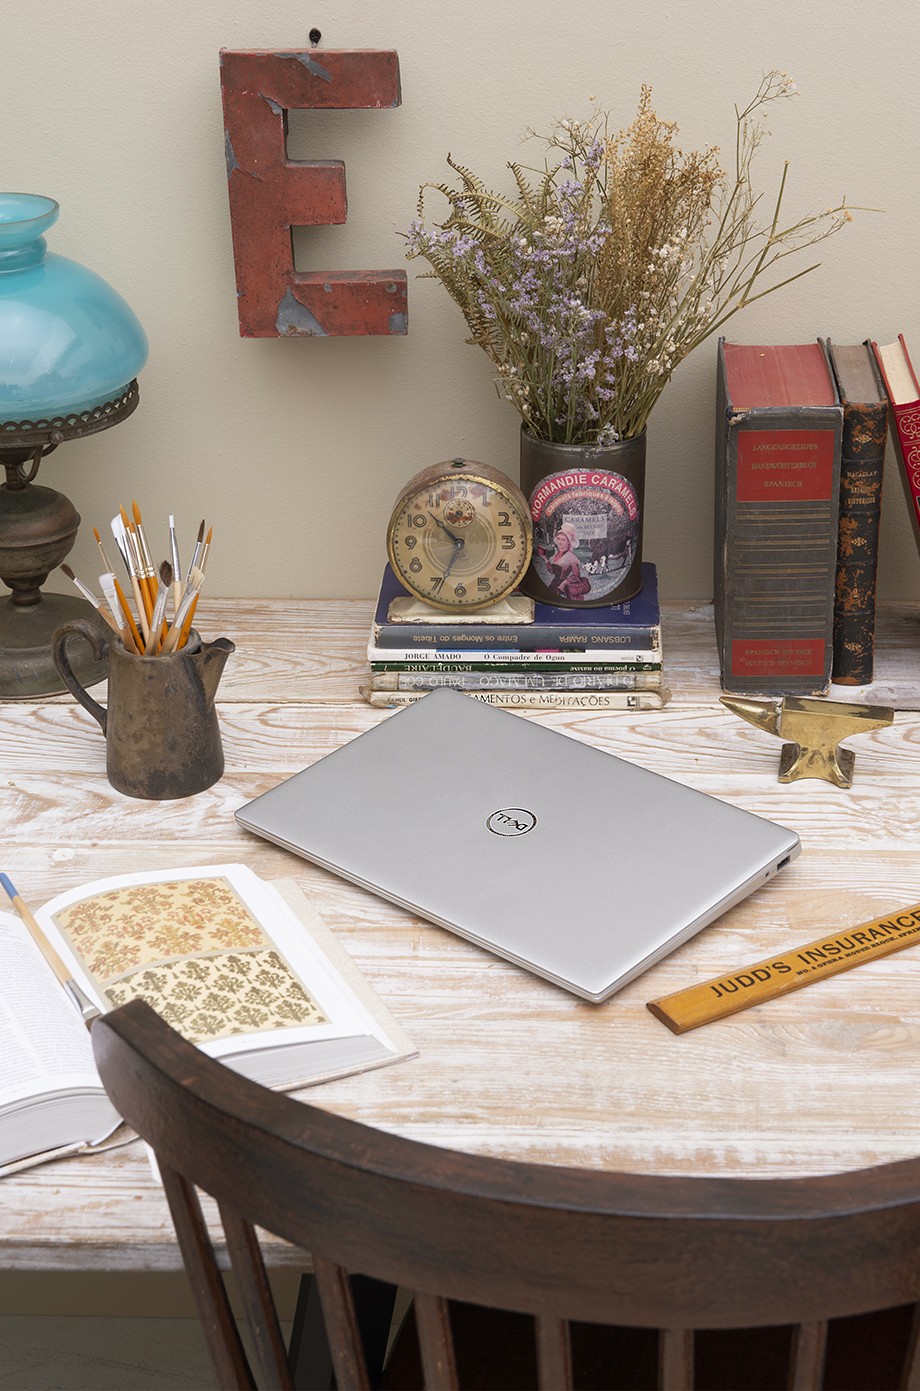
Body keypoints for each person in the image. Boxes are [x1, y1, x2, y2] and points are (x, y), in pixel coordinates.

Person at [545, 522, 590, 600]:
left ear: (568, 542)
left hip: (565, 588)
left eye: (563, 540)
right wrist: (545, 560)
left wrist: (564, 583)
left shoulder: (570, 557)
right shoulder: (554, 556)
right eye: (558, 538)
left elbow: (576, 575)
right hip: (554, 585)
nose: (560, 542)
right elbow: (553, 572)